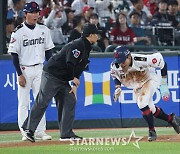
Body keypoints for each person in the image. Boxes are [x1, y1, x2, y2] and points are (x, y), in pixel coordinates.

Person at [22, 23, 100, 142]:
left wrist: (73, 85)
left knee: (70, 99)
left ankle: (66, 133)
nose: (98, 36)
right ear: (90, 35)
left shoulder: (87, 46)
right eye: (96, 34)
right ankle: (28, 129)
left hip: (63, 78)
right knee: (43, 101)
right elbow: (70, 63)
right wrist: (72, 78)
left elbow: (80, 68)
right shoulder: (78, 44)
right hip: (52, 74)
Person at [110, 45, 180, 141]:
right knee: (151, 109)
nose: (121, 64)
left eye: (123, 60)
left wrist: (164, 83)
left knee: (142, 103)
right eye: (119, 61)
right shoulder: (115, 66)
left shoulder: (141, 59)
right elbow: (115, 76)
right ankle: (171, 119)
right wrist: (117, 87)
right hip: (137, 85)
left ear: (129, 56)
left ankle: (152, 131)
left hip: (150, 79)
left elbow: (162, 63)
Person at [8, 2, 54, 141]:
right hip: (25, 69)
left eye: (37, 12)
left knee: (41, 100)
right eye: (32, 12)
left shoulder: (44, 30)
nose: (36, 15)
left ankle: (40, 130)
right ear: (25, 14)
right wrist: (19, 74)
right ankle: (24, 131)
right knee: (23, 102)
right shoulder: (18, 31)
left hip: (40, 68)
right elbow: (14, 55)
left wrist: (50, 70)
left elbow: (49, 53)